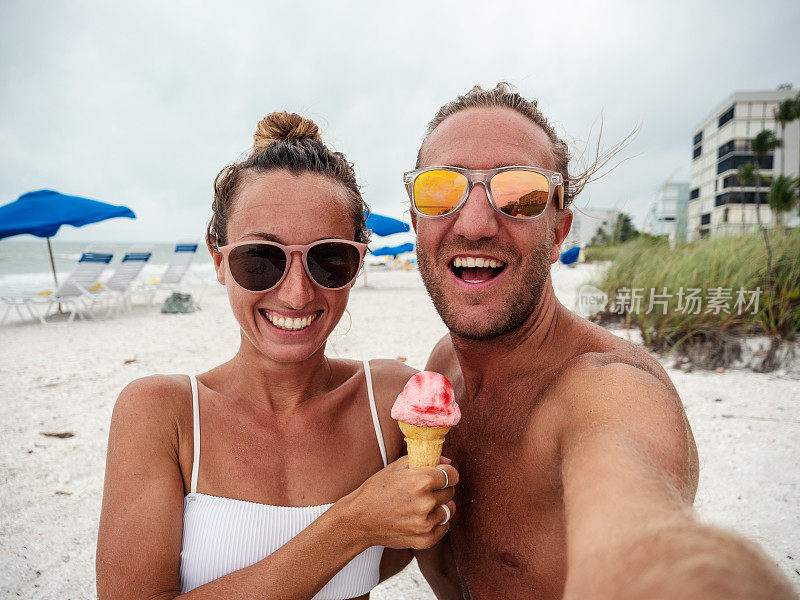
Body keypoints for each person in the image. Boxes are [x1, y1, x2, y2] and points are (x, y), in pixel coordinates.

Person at [407, 84, 795, 600]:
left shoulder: (607, 391)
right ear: (416, 224)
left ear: (559, 233)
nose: (475, 223)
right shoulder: (440, 371)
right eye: (440, 190)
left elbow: (643, 538)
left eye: (519, 195)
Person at [96, 112, 459, 600]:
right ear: (219, 259)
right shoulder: (163, 413)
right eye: (260, 260)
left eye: (328, 258)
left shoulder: (390, 401)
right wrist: (351, 525)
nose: (295, 293)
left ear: (359, 261)